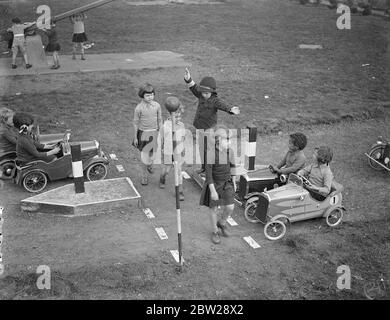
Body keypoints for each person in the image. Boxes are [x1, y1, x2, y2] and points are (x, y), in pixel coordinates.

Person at [184, 67, 240, 174]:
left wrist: (231, 109)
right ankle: (203, 168)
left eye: (206, 93)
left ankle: (212, 169)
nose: (204, 95)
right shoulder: (201, 94)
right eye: (203, 92)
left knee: (209, 150)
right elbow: (193, 87)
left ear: (212, 92)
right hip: (200, 128)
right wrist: (188, 78)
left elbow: (223, 105)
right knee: (201, 150)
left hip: (210, 130)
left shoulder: (215, 100)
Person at [199, 124, 239, 244]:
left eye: (230, 140)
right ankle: (215, 231)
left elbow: (233, 166)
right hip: (215, 185)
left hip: (227, 183)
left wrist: (234, 180)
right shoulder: (210, 154)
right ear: (218, 141)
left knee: (230, 207)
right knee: (213, 209)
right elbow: (209, 175)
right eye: (227, 140)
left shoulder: (230, 152)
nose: (230, 143)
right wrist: (213, 191)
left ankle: (221, 223)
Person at [133, 83, 162, 185]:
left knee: (152, 154)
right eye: (147, 95)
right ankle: (144, 176)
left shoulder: (157, 105)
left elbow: (159, 119)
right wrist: (135, 137)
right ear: (142, 95)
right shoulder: (138, 108)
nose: (150, 97)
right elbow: (136, 122)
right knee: (144, 157)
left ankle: (150, 164)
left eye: (152, 95)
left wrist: (161, 131)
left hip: (154, 133)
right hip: (143, 134)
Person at [159, 97, 186, 201]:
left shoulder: (181, 125)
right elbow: (161, 140)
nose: (178, 118)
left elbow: (183, 138)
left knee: (178, 171)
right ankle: (162, 177)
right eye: (176, 116)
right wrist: (161, 150)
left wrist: (183, 148)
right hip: (167, 152)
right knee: (167, 170)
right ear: (170, 115)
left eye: (180, 116)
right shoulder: (165, 126)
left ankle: (179, 191)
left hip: (177, 152)